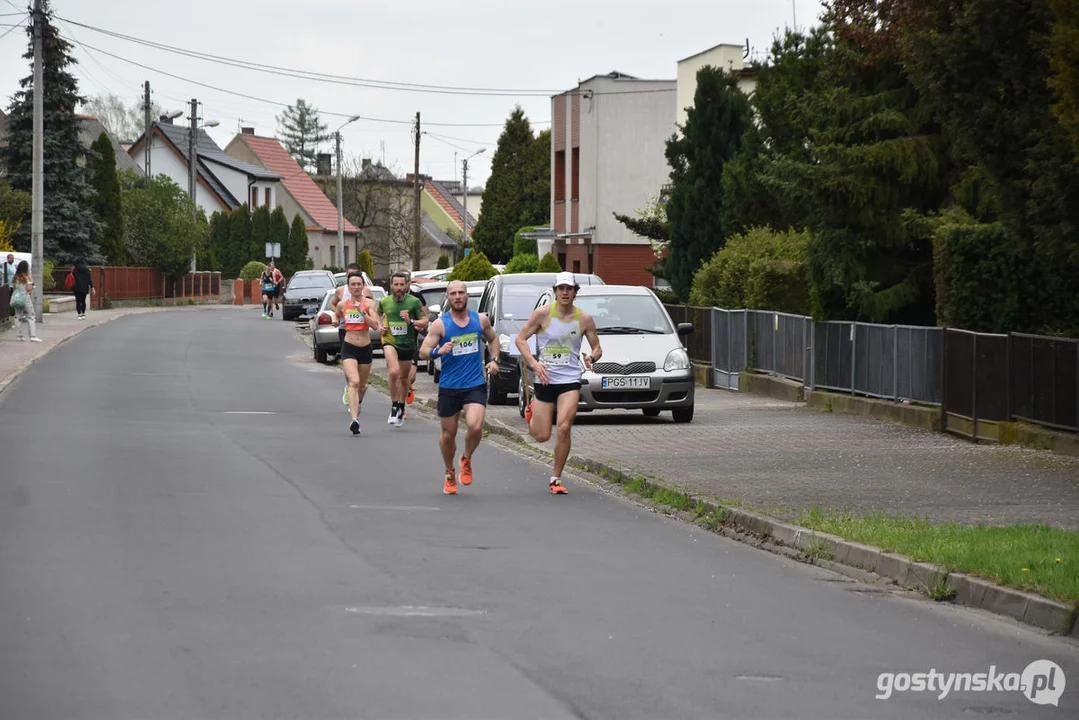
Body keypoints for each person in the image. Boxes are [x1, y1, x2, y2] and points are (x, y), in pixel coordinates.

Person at [515, 271, 602, 495]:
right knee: (542, 435)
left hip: (570, 379)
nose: (565, 292)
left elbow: (597, 347)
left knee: (564, 427)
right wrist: (534, 364)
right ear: (555, 291)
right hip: (546, 378)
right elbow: (520, 339)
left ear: (575, 292)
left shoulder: (584, 318)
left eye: (569, 289)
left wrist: (591, 357)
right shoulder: (543, 314)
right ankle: (531, 410)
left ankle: (556, 478)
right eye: (561, 288)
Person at [419, 280, 501, 495]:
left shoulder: (480, 320)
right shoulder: (441, 325)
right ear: (448, 297)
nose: (457, 296)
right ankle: (449, 472)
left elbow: (493, 340)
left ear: (467, 296)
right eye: (453, 293)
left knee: (475, 426)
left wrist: (494, 360)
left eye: (461, 293)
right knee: (448, 434)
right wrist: (438, 351)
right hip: (449, 386)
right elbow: (423, 351)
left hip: (474, 383)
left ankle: (466, 458)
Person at [334, 272, 382, 435]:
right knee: (353, 382)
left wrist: (362, 312)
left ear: (363, 286)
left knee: (362, 386)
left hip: (365, 348)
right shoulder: (343, 304)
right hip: (349, 347)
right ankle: (354, 420)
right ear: (348, 287)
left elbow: (375, 325)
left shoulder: (369, 304)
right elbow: (336, 313)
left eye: (358, 284)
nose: (355, 287)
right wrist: (334, 319)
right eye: (352, 284)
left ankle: (357, 402)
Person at [379, 271, 428, 427]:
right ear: (391, 285)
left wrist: (411, 320)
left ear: (407, 285)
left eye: (401, 284)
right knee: (393, 372)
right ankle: (394, 406)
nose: (398, 288)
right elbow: (377, 314)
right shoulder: (384, 302)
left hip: (407, 343)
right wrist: (380, 326)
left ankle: (401, 406)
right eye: (396, 284)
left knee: (404, 378)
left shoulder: (414, 302)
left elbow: (425, 321)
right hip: (389, 341)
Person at [330, 263, 363, 408]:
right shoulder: (340, 291)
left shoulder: (366, 291)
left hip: (362, 332)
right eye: (350, 275)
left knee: (361, 366)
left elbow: (372, 307)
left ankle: (356, 388)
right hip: (345, 330)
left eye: (355, 275)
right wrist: (338, 316)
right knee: (347, 362)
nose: (354, 282)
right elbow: (333, 305)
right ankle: (350, 385)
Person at [11, 260, 41, 342]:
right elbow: (29, 288)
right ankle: (33, 336)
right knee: (31, 316)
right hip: (25, 298)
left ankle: (19, 335)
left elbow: (14, 288)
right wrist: (33, 287)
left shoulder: (15, 277)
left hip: (17, 298)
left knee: (18, 316)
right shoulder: (27, 277)